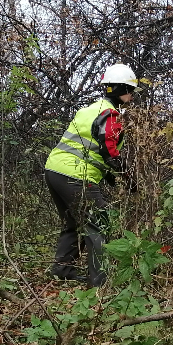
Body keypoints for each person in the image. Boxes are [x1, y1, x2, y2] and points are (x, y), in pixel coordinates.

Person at [44, 64, 136, 285]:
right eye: (130, 91)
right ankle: (99, 282)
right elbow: (109, 150)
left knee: (73, 223)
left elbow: (90, 148)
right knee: (100, 222)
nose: (132, 96)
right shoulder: (110, 115)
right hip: (76, 176)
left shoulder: (89, 109)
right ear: (121, 89)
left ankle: (62, 270)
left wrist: (108, 175)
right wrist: (128, 177)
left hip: (54, 170)